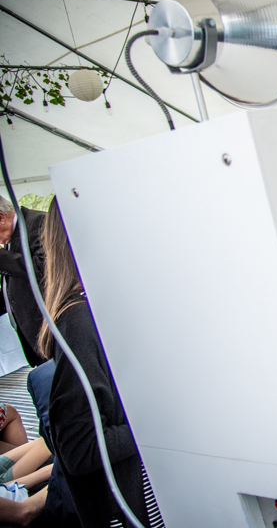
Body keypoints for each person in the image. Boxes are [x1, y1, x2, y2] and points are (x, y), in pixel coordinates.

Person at [37, 198, 152, 527]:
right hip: (128, 504)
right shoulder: (79, 322)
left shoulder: (103, 309)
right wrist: (158, 427)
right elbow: (80, 448)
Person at [0, 196, 47, 367]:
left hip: (49, 333)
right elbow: (14, 286)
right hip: (33, 338)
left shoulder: (38, 223)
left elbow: (43, 269)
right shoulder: (11, 237)